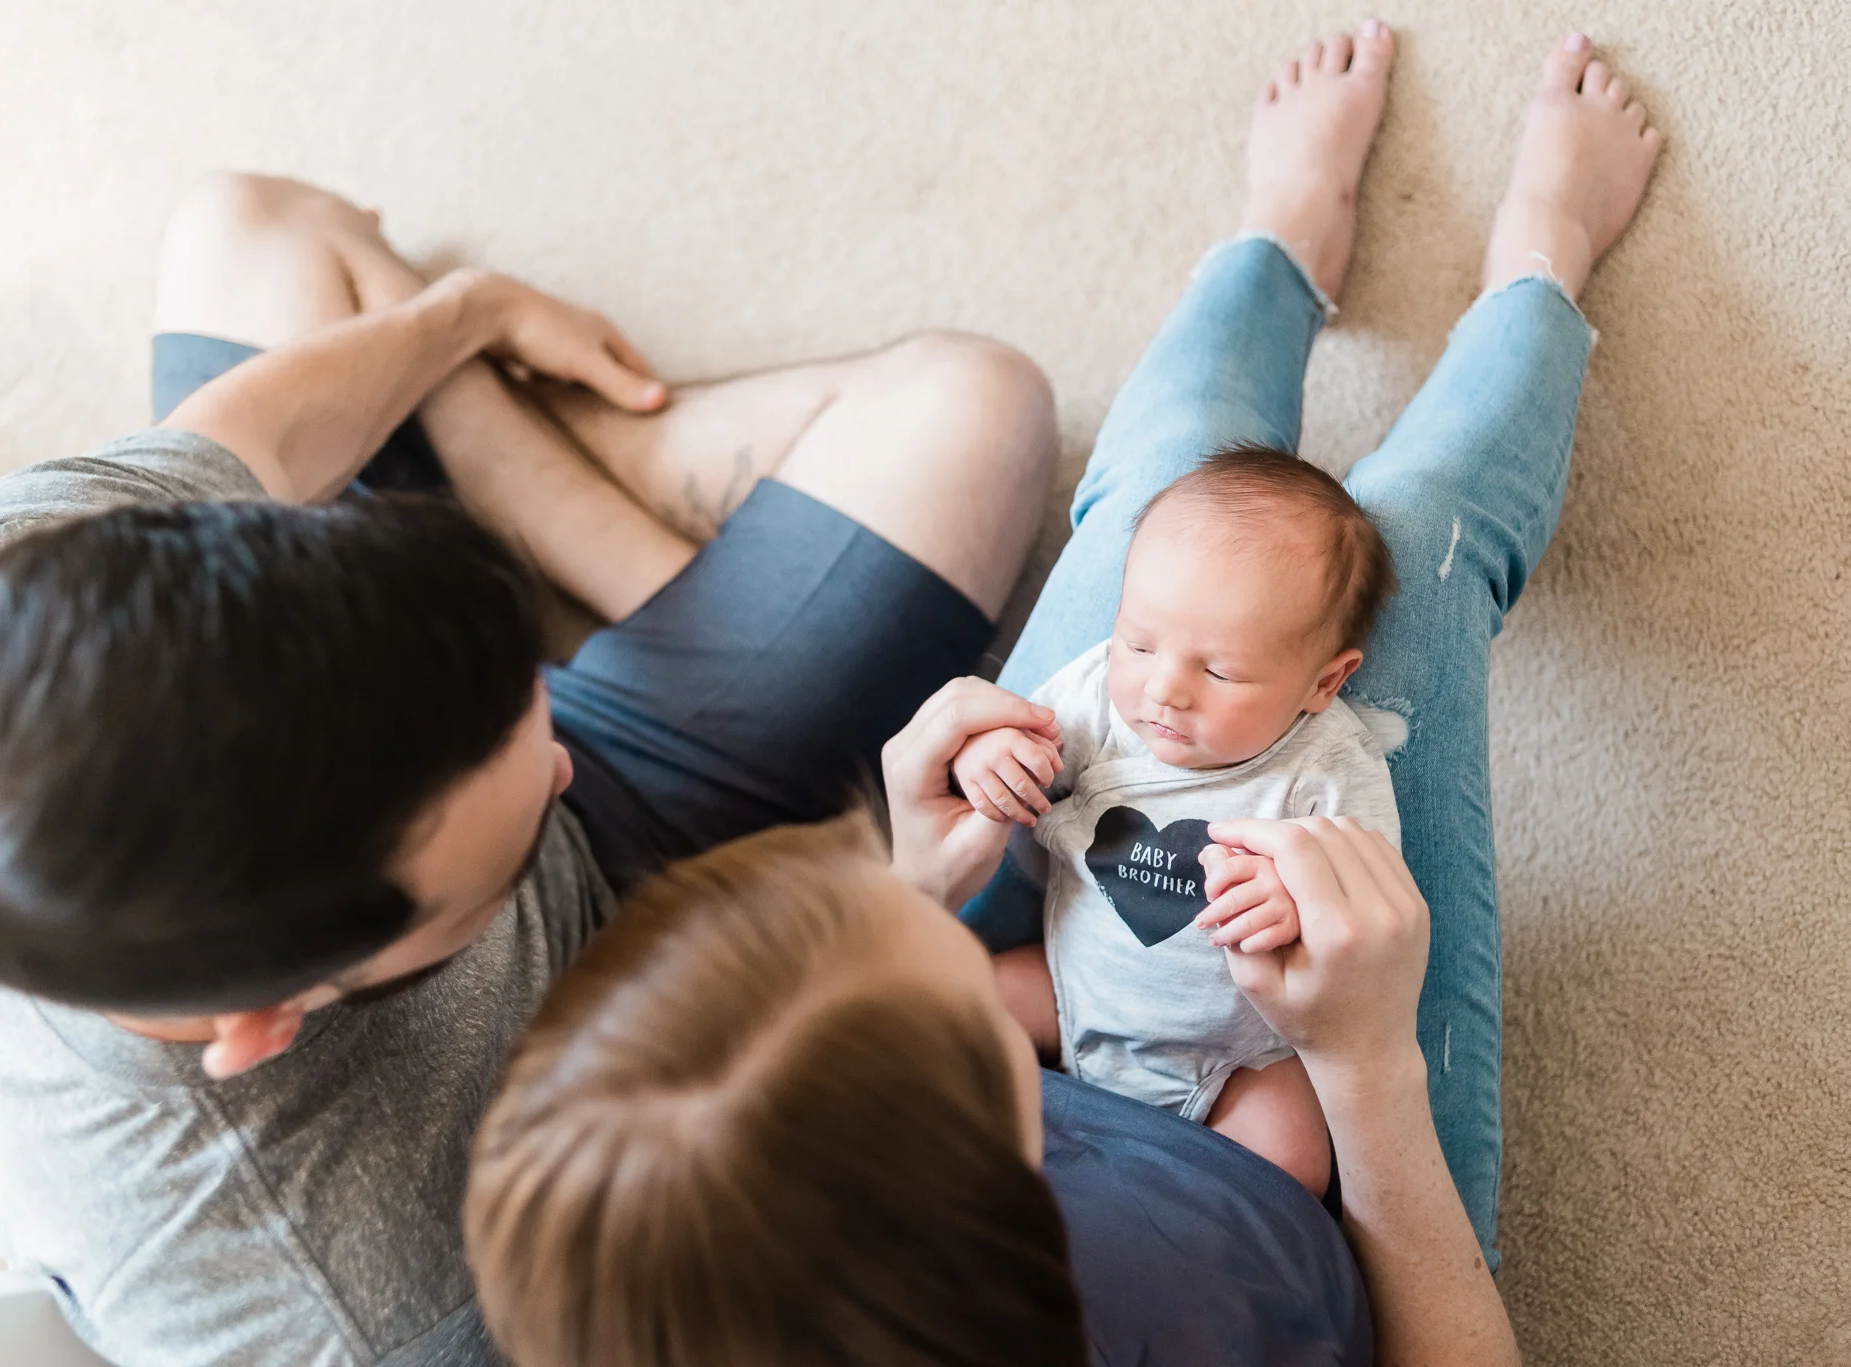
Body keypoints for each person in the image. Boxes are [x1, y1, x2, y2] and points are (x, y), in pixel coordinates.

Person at [463, 20, 1662, 1367]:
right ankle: (1536, 268)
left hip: (1091, 979)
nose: (1161, 688)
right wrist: (1369, 1065)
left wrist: (917, 874)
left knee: (1182, 491)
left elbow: (1025, 800)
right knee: (1414, 531)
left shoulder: (659, 1272)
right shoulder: (1174, 1308)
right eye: (913, 1017)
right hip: (1288, 1103)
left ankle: (1277, 249)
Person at [0, 182, 1055, 1362]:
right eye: (492, 864)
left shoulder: (2, 585)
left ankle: (529, 478)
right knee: (972, 408)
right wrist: (893, 901)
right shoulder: (386, 1308)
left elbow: (256, 438)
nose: (558, 765)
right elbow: (711, 1125)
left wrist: (467, 311)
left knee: (251, 226)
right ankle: (565, 496)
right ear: (267, 1022)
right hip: (627, 945)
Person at [950, 447, 1402, 1196]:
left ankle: (1187, 1207)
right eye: (1139, 643)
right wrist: (989, 758)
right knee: (947, 1003)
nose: (1164, 688)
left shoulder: (1325, 766)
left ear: (1324, 682)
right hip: (1070, 994)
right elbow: (1023, 747)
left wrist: (1295, 902)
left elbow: (1368, 902)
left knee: (1293, 1161)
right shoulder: (1097, 696)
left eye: (1219, 670)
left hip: (1236, 1057)